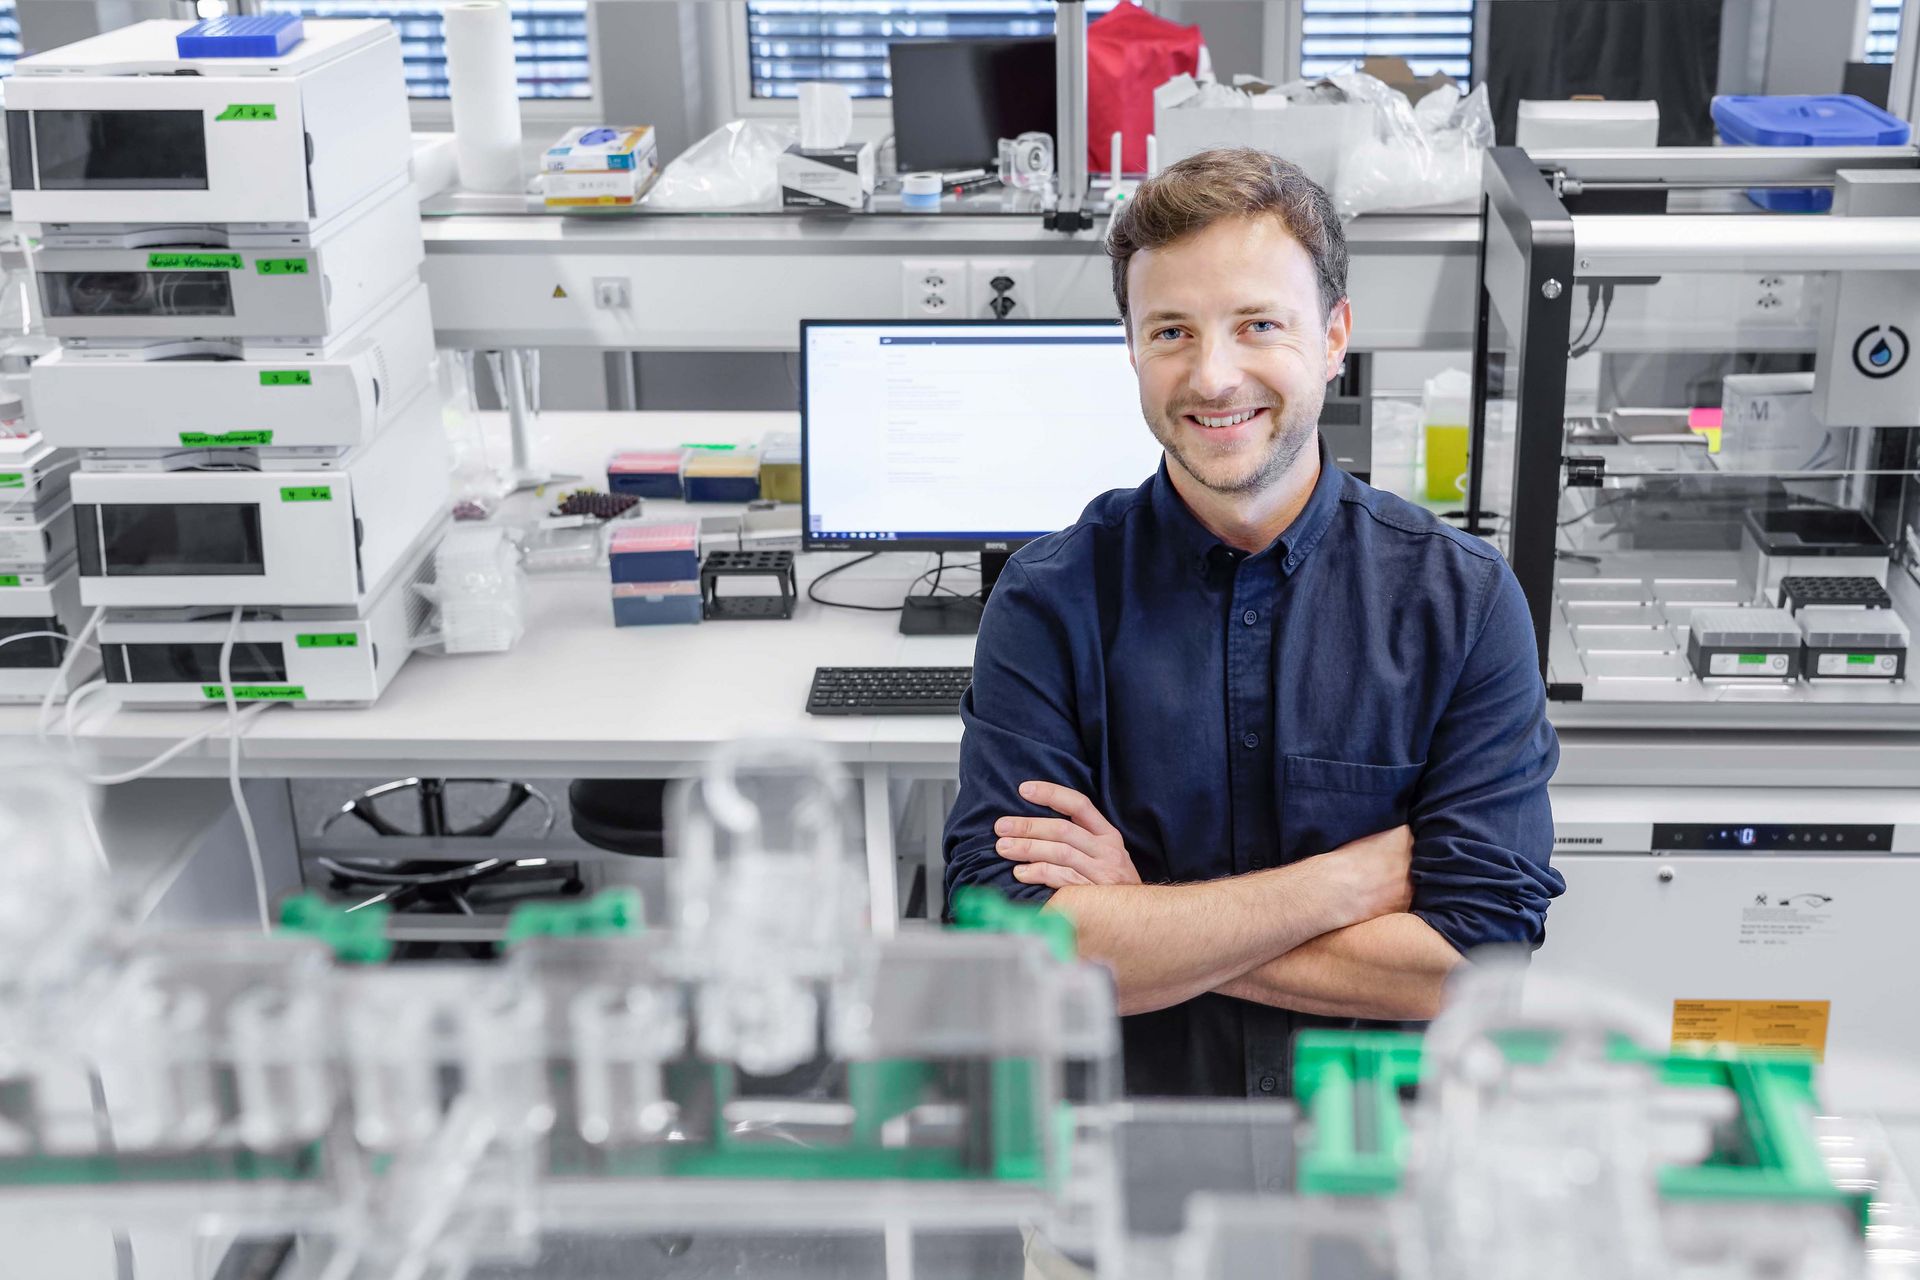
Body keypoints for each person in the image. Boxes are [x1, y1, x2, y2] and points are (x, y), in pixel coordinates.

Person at [942, 147, 1565, 1099]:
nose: (1214, 376)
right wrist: (1339, 887)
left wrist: (1137, 917)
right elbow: (1011, 947)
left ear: (1333, 337)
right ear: (1132, 349)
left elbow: (1475, 963)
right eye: (1172, 332)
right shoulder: (1047, 600)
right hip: (1119, 1174)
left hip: (1382, 1177)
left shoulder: (1462, 604)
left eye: (1258, 325)